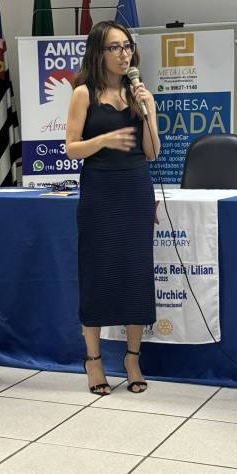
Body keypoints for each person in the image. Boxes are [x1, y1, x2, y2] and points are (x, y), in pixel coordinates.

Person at [65, 20, 160, 395]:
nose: (124, 54)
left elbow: (152, 152)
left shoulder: (140, 94)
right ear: (98, 53)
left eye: (128, 47)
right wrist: (104, 139)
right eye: (115, 47)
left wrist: (149, 109)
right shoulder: (83, 93)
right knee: (98, 272)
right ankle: (93, 360)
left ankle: (132, 358)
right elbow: (72, 149)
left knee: (136, 272)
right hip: (100, 191)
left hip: (136, 188)